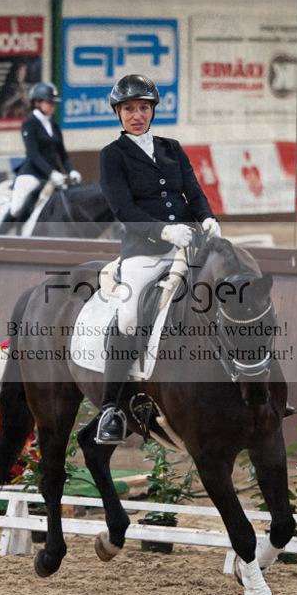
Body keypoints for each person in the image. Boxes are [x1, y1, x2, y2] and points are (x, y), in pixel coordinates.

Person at [95, 73, 221, 444]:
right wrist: (163, 232)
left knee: (228, 294)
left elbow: (193, 192)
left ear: (153, 110)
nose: (137, 115)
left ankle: (250, 385)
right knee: (130, 317)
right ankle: (111, 409)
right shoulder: (112, 155)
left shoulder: (172, 148)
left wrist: (207, 218)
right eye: (129, 109)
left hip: (189, 245)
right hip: (144, 252)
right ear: (118, 113)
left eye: (143, 108)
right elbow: (123, 208)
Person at [9, 82, 82, 219]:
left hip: (55, 177)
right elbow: (33, 154)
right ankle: (4, 231)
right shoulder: (29, 124)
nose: (53, 106)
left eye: (54, 103)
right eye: (49, 102)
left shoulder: (54, 126)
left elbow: (62, 154)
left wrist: (71, 170)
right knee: (16, 209)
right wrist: (51, 173)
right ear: (37, 103)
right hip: (32, 174)